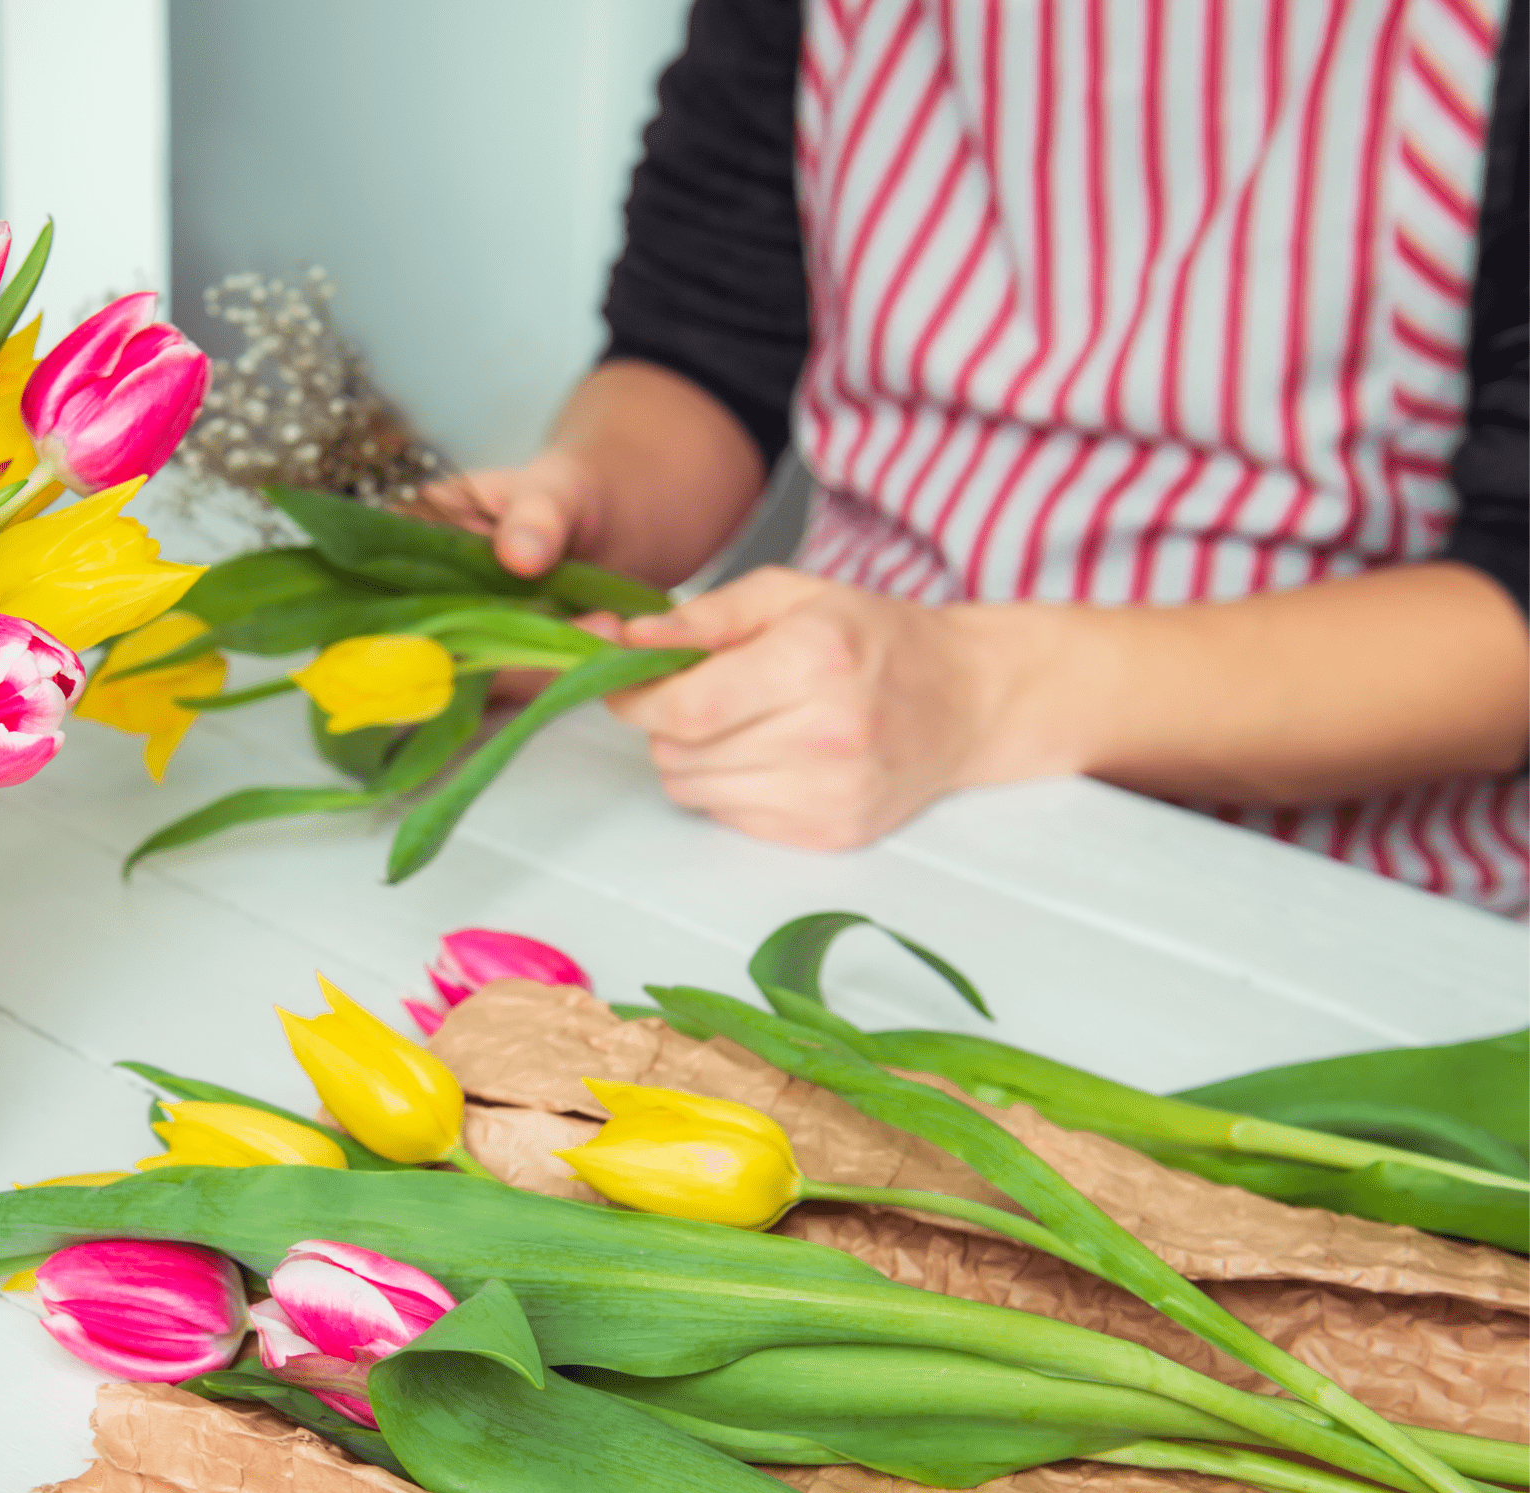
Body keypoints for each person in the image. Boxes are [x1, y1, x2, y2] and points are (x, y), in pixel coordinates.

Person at [423, 0, 1529, 914]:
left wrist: (979, 690)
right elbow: (703, 346)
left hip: (1346, 895)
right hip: (822, 791)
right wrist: (586, 508)